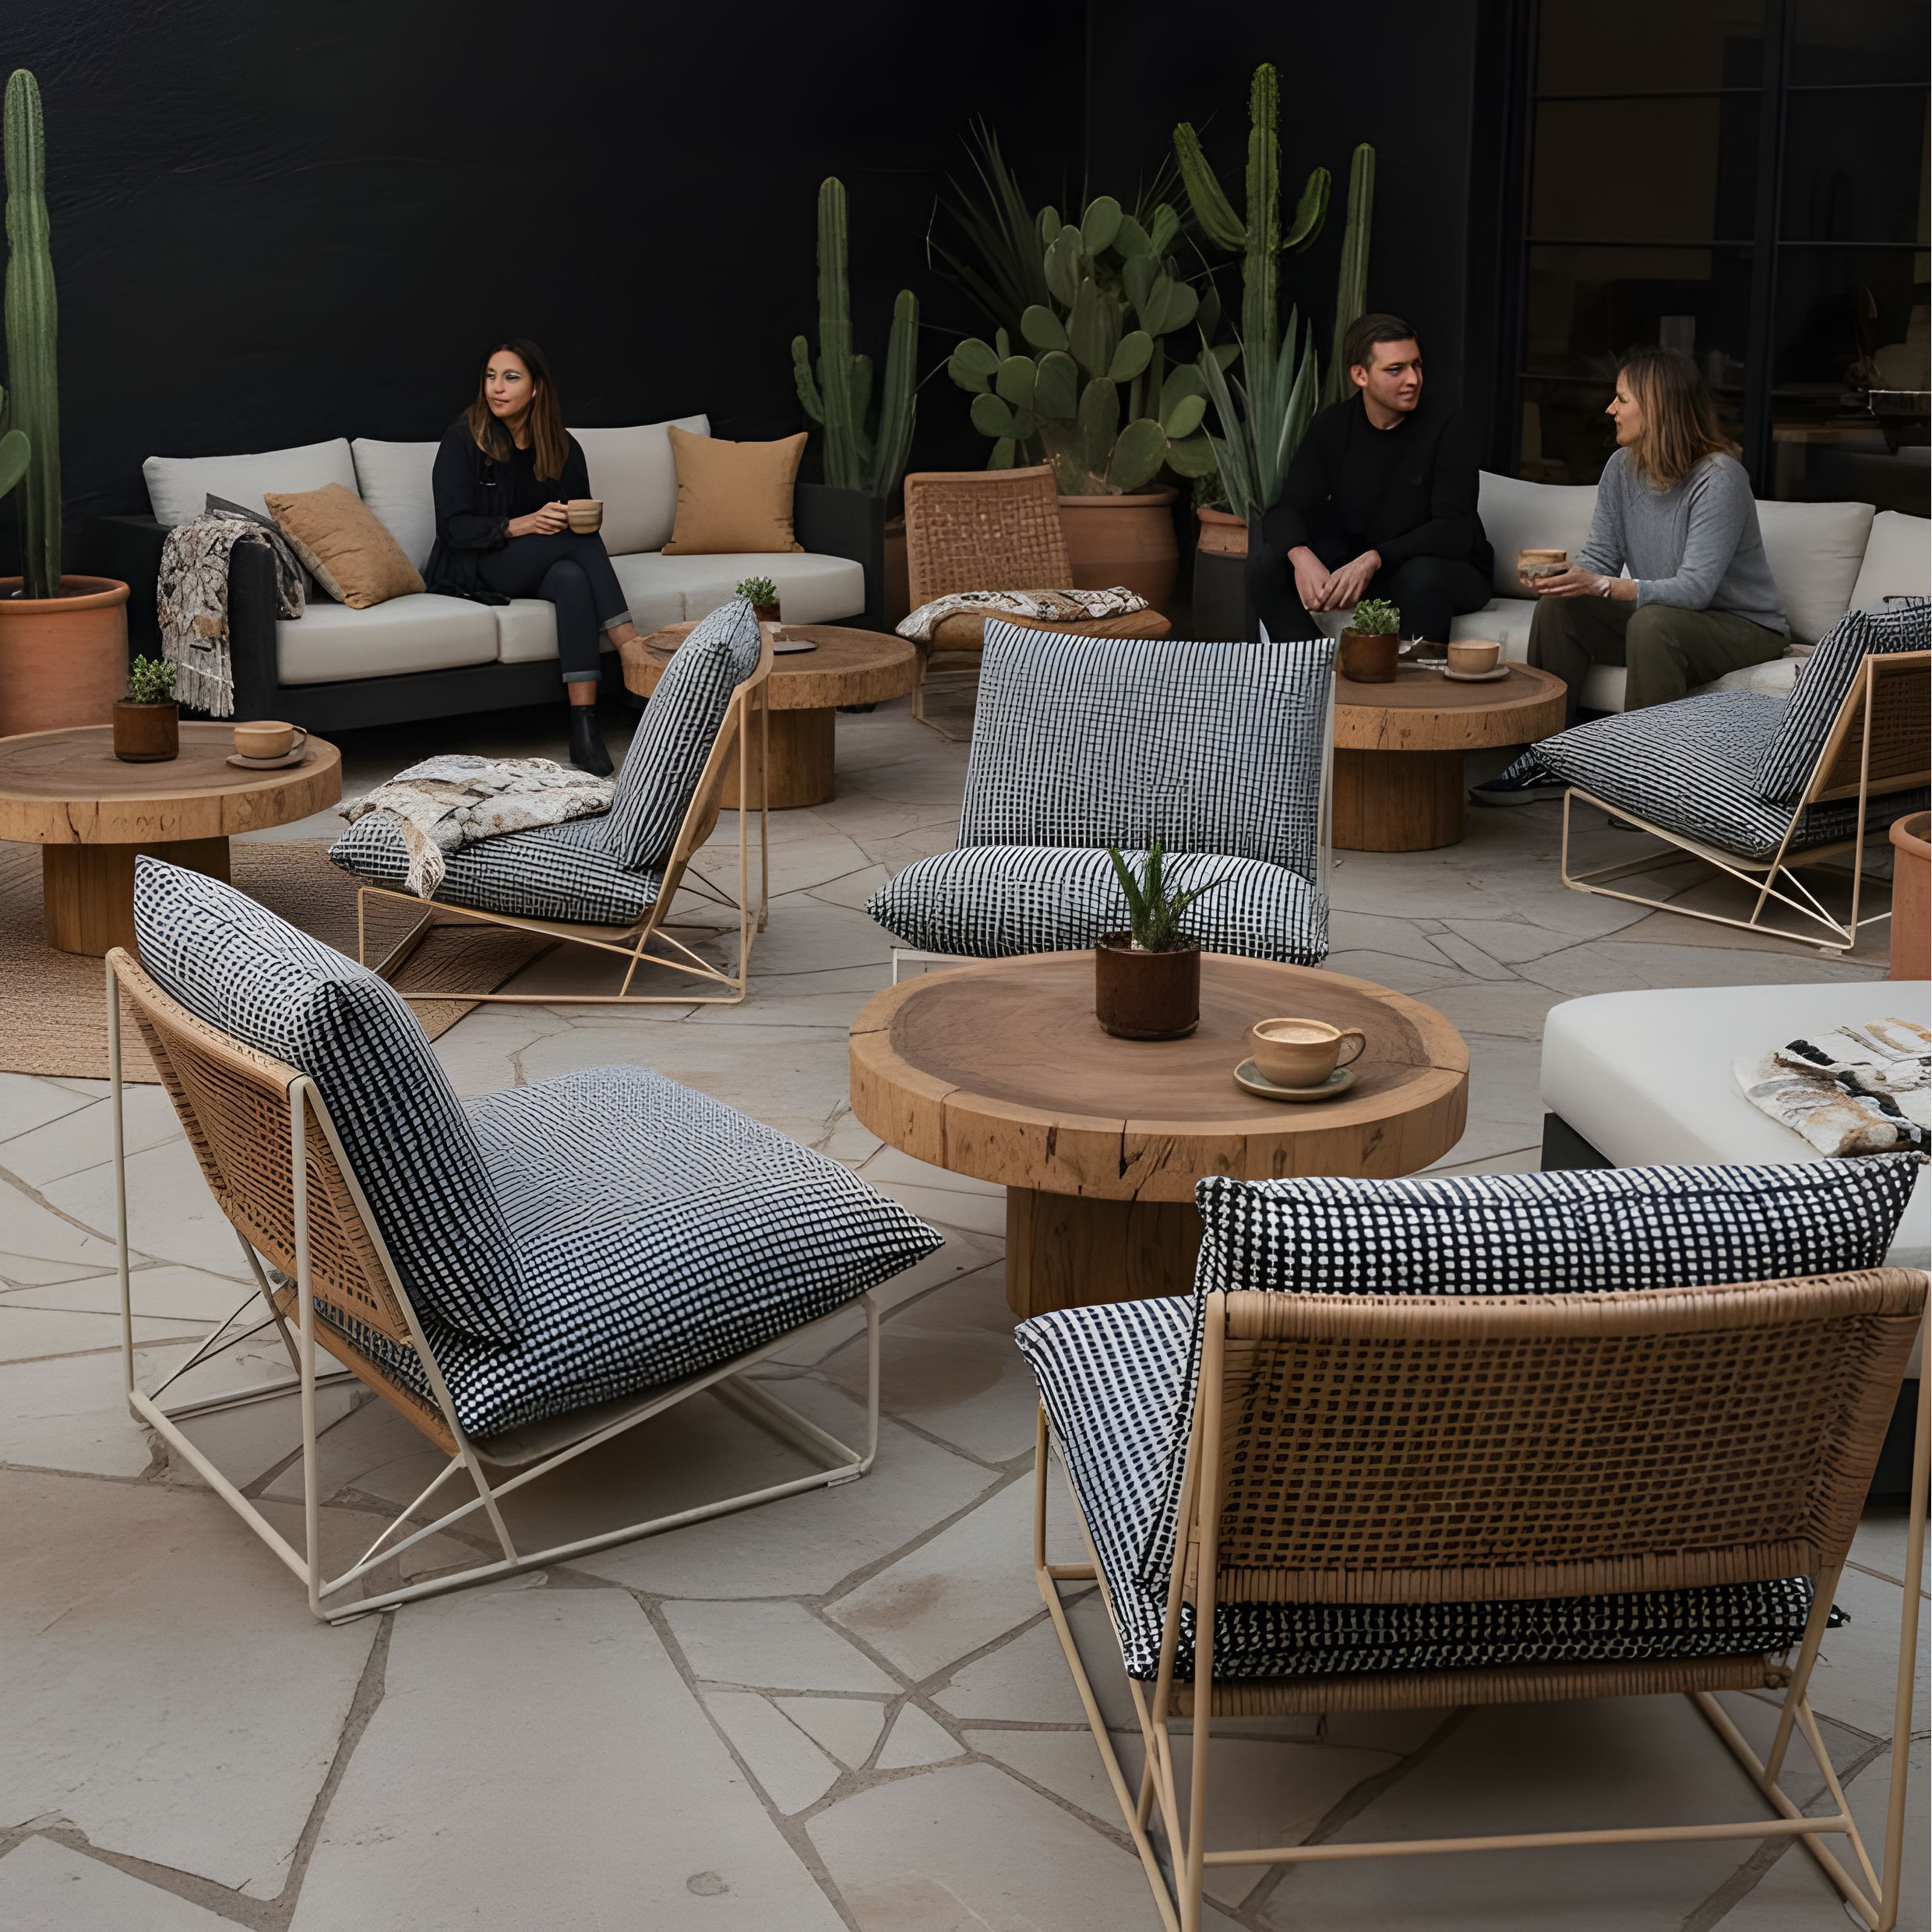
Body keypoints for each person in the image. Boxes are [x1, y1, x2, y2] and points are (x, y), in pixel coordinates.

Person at [1472, 347, 1788, 806]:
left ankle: (1646, 781)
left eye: (1621, 399)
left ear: (1656, 406)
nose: (1610, 409)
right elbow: (1600, 556)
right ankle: (1547, 757)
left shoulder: (1719, 478)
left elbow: (1696, 590)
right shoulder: (1622, 468)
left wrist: (1603, 585)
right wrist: (1564, 580)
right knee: (1561, 607)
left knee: (1653, 623)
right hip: (1669, 618)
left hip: (1743, 628)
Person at [424, 338, 642, 775]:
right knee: (576, 548)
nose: (497, 388)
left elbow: (580, 519)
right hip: (477, 567)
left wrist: (576, 517)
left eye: (511, 377)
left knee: (572, 579)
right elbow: (452, 528)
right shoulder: (465, 437)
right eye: (491, 376)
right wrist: (519, 524)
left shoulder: (560, 445)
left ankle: (584, 726)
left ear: (537, 388)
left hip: (537, 564)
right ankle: (635, 653)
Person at [1253, 312, 1494, 649]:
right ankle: (1312, 671)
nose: (1413, 379)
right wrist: (1300, 556)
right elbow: (1284, 510)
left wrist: (1373, 558)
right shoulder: (1333, 426)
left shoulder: (1449, 426)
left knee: (1420, 577)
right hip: (1367, 570)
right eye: (1396, 370)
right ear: (1360, 375)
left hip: (1446, 570)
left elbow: (1453, 531)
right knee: (1267, 563)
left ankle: (1414, 694)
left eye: (1417, 365)